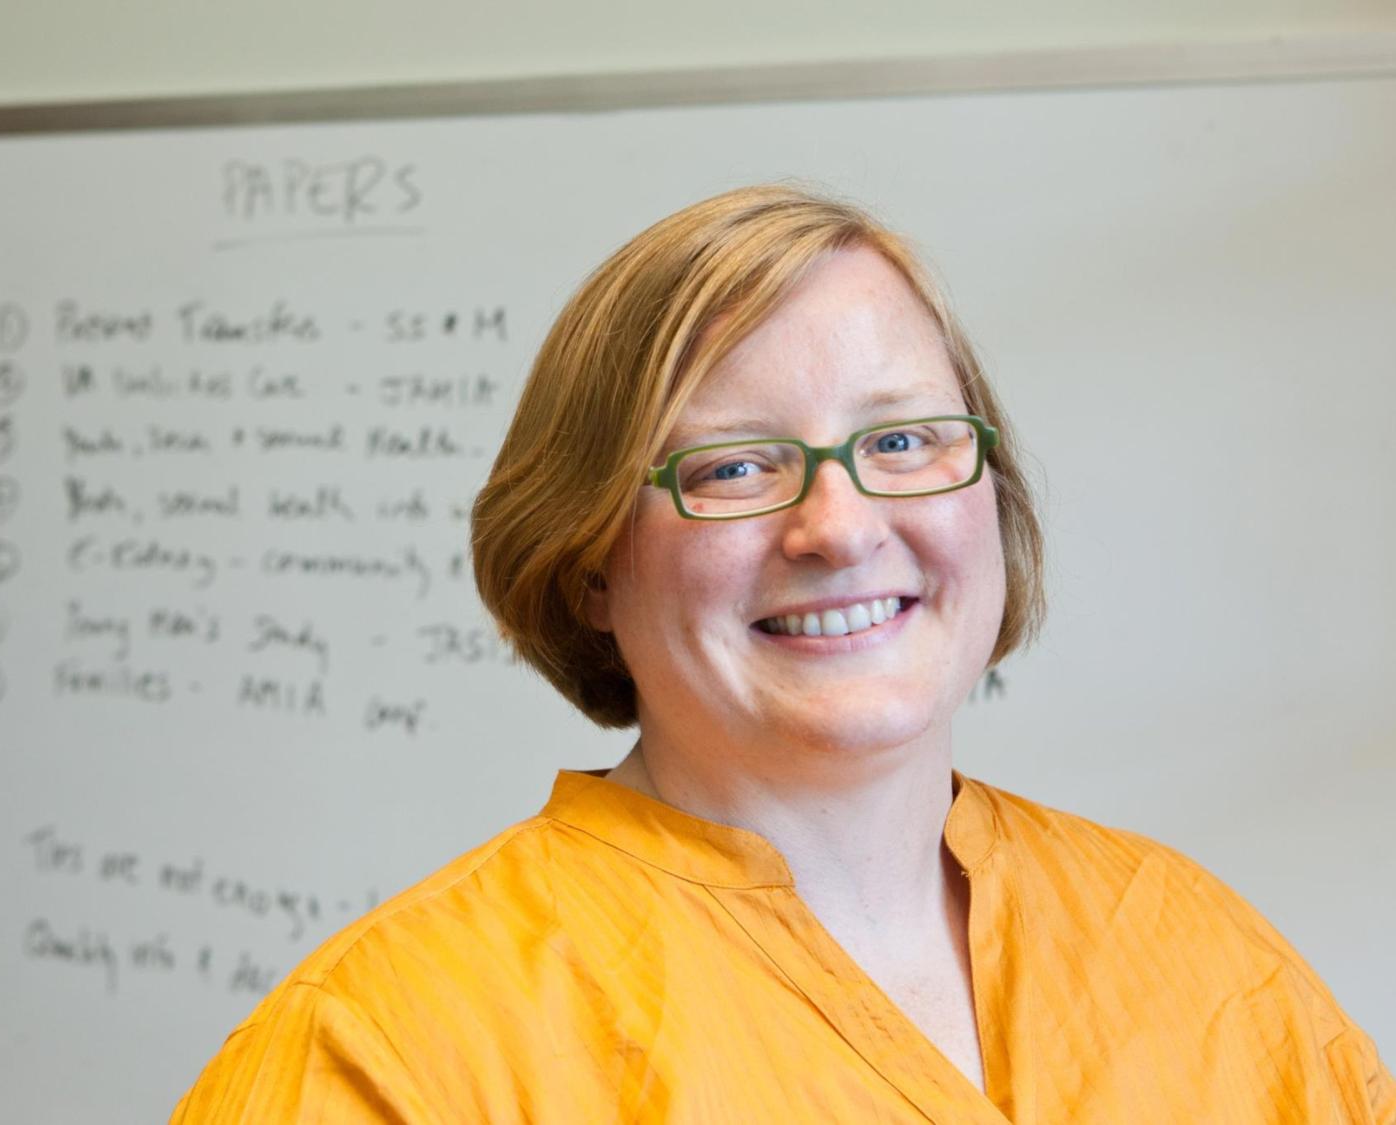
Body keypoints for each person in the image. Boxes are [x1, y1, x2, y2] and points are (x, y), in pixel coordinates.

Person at [172, 186, 1392, 1122]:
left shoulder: (1195, 950)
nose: (841, 529)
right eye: (734, 467)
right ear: (589, 563)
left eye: (902, 441)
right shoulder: (388, 1045)